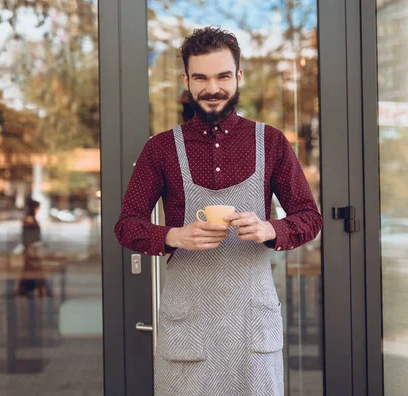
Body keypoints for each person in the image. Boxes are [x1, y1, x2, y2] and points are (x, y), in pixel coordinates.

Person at [114, 27, 322, 395]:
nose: (213, 88)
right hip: (188, 330)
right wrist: (173, 235)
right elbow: (126, 225)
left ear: (238, 76)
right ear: (187, 81)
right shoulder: (160, 149)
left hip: (251, 328)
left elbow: (309, 217)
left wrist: (270, 230)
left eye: (223, 76)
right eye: (201, 78)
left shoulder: (271, 142)